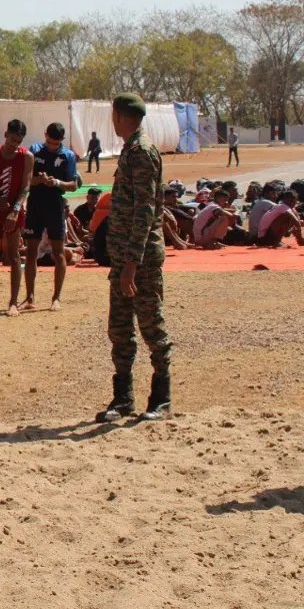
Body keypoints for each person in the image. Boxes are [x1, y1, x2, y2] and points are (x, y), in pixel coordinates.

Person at [95, 93, 172, 424]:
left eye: (113, 115)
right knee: (120, 328)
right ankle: (123, 398)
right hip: (123, 256)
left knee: (151, 326)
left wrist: (130, 264)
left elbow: (145, 210)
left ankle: (161, 398)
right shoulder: (131, 150)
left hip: (138, 259)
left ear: (121, 117)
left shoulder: (141, 152)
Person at [21, 122, 79, 311]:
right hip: (35, 204)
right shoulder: (35, 150)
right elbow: (25, 179)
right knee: (31, 252)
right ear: (44, 135)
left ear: (62, 141)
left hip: (55, 205)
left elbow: (73, 184)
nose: (52, 146)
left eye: (56, 144)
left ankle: (56, 297)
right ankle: (29, 297)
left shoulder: (68, 156)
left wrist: (56, 182)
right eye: (49, 142)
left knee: (58, 253)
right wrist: (38, 180)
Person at [0, 119, 34, 317]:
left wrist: (16, 210)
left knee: (13, 255)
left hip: (14, 210)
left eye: (18, 141)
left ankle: (13, 302)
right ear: (5, 135)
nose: (15, 145)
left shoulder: (26, 157)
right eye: (12, 140)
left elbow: (25, 186)